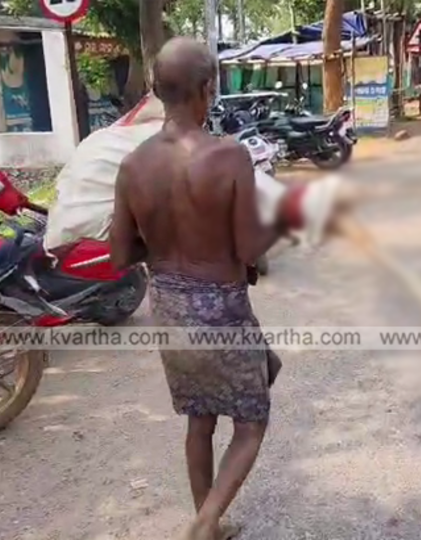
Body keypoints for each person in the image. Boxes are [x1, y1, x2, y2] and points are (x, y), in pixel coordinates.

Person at [108, 37, 294, 540]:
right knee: (251, 422)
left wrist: (167, 250)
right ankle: (206, 522)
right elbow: (249, 247)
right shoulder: (229, 156)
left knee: (200, 416)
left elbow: (120, 255)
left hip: (167, 306)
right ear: (207, 89)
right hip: (221, 308)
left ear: (155, 89)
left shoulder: (132, 166)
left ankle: (205, 521)